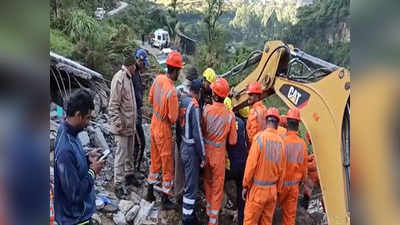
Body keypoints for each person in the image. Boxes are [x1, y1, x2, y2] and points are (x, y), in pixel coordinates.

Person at [54, 89, 105, 225]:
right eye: (87, 117)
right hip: (74, 219)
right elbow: (75, 194)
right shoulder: (66, 149)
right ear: (78, 115)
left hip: (79, 215)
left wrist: (88, 159)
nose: (88, 122)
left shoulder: (71, 132)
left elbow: (74, 165)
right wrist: (93, 171)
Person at [145, 50, 182, 210]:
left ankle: (150, 191)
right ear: (175, 70)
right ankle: (165, 199)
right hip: (163, 129)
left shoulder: (158, 79)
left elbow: (150, 99)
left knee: (155, 159)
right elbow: (173, 118)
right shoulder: (172, 92)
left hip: (154, 122)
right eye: (179, 70)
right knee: (167, 164)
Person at [242, 107, 286, 225]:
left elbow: (250, 166)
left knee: (250, 222)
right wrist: (278, 190)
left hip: (257, 191)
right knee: (266, 222)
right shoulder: (281, 143)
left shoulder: (259, 139)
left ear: (266, 122)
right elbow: (282, 171)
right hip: (272, 192)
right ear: (277, 124)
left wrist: (245, 185)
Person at [202, 78, 237, 225]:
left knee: (208, 184)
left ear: (214, 94)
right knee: (217, 188)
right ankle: (213, 220)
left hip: (206, 154)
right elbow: (233, 142)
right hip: (219, 155)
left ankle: (209, 212)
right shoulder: (230, 115)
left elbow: (202, 132)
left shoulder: (206, 110)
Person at [109, 55, 140, 198]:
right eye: (135, 66)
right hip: (122, 127)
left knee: (129, 153)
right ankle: (118, 184)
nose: (136, 69)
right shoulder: (119, 79)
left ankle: (129, 175)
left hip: (129, 125)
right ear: (131, 65)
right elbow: (113, 105)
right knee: (121, 155)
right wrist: (118, 123)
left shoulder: (128, 78)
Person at [177, 79, 206, 225]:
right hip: (191, 150)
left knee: (188, 183)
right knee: (191, 187)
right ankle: (187, 219)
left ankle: (189, 214)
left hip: (183, 145)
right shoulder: (194, 105)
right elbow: (198, 133)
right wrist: (203, 155)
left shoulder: (183, 101)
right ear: (199, 92)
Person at [277, 108, 308, 225]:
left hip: (280, 186)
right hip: (294, 187)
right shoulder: (302, 144)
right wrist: (302, 181)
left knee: (269, 213)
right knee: (289, 217)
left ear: (287, 123)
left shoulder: (281, 141)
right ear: (298, 124)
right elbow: (304, 168)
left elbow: (276, 164)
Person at [225, 101, 250, 225]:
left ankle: (225, 207)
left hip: (231, 166)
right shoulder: (241, 123)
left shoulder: (224, 122)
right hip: (243, 165)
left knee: (216, 184)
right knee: (242, 197)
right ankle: (241, 220)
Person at [133, 49, 150, 171]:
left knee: (136, 144)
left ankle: (133, 168)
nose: (144, 67)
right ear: (139, 60)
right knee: (140, 144)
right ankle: (134, 169)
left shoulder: (136, 74)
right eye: (143, 64)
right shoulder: (132, 75)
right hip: (134, 116)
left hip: (136, 113)